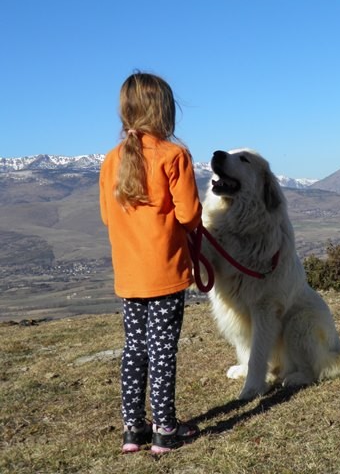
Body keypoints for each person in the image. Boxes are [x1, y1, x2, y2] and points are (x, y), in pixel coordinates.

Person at [99, 72, 202, 454]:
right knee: (162, 350)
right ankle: (165, 429)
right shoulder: (174, 156)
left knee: (134, 348)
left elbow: (109, 217)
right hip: (165, 272)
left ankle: (133, 429)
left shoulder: (111, 161)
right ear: (164, 110)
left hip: (129, 274)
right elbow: (189, 213)